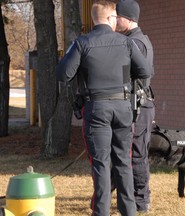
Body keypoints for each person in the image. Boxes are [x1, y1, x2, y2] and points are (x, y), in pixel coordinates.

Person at [55, 1, 151, 215]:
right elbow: (145, 70)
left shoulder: (82, 43)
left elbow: (62, 74)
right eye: (115, 17)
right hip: (123, 108)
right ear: (110, 18)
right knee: (123, 162)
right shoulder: (126, 43)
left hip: (96, 108)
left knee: (101, 165)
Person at [116, 0, 155, 213]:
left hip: (138, 106)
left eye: (117, 16)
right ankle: (131, 196)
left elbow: (131, 78)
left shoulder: (136, 43)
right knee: (131, 154)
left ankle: (141, 201)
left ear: (128, 18)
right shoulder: (135, 40)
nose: (114, 20)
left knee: (137, 155)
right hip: (138, 105)